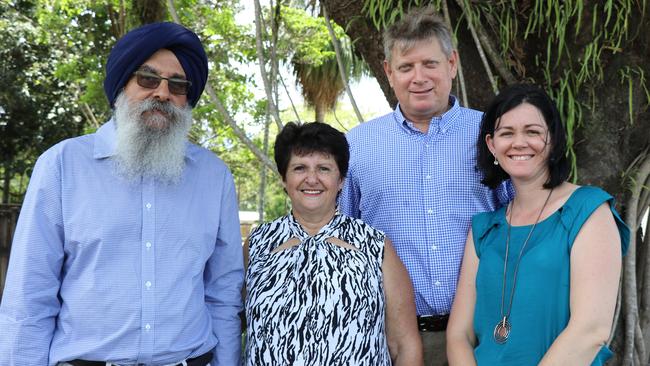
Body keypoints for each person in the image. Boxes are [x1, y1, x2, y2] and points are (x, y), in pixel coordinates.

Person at [0, 22, 243, 366]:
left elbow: (223, 293)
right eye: (147, 78)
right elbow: (29, 297)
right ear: (122, 85)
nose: (162, 93)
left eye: (177, 84)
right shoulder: (62, 166)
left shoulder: (213, 177)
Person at [338, 6, 511, 365]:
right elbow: (344, 243)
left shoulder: (493, 135)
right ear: (389, 72)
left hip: (483, 337)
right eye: (406, 67)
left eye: (430, 64)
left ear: (452, 63)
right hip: (392, 341)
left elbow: (522, 221)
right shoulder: (356, 146)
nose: (419, 77)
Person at [446, 83, 630, 365]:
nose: (519, 142)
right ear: (491, 145)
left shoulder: (587, 210)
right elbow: (459, 335)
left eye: (532, 132)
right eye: (507, 133)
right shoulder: (483, 229)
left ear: (553, 140)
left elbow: (590, 331)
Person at [244, 122, 423, 365]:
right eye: (299, 168)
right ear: (284, 179)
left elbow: (403, 346)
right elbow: (232, 324)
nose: (312, 178)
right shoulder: (257, 245)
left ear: (341, 180)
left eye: (324, 168)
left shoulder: (375, 245)